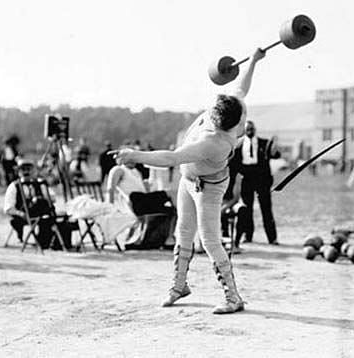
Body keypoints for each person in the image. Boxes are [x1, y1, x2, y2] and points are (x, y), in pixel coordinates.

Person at [113, 48, 265, 314]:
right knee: (182, 232)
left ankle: (233, 297)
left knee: (209, 240)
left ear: (223, 124)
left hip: (209, 187)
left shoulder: (216, 142)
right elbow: (241, 87)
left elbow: (172, 157)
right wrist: (253, 60)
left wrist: (134, 155)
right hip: (189, 180)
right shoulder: (233, 105)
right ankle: (179, 285)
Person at [228, 122, 280, 245]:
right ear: (244, 130)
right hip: (247, 179)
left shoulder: (264, 143)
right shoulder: (238, 145)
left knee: (266, 208)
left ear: (255, 129)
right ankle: (248, 236)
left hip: (262, 179)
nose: (250, 131)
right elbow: (233, 165)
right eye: (248, 129)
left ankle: (272, 238)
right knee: (247, 209)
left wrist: (274, 150)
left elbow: (276, 155)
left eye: (252, 129)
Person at [3, 159, 54, 248]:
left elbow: (52, 199)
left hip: (39, 212)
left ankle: (45, 241)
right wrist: (20, 213)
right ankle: (43, 241)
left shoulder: (40, 183)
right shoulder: (14, 186)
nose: (26, 172)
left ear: (33, 171)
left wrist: (44, 194)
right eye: (23, 169)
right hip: (22, 214)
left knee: (49, 215)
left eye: (29, 169)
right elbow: (8, 208)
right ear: (18, 172)